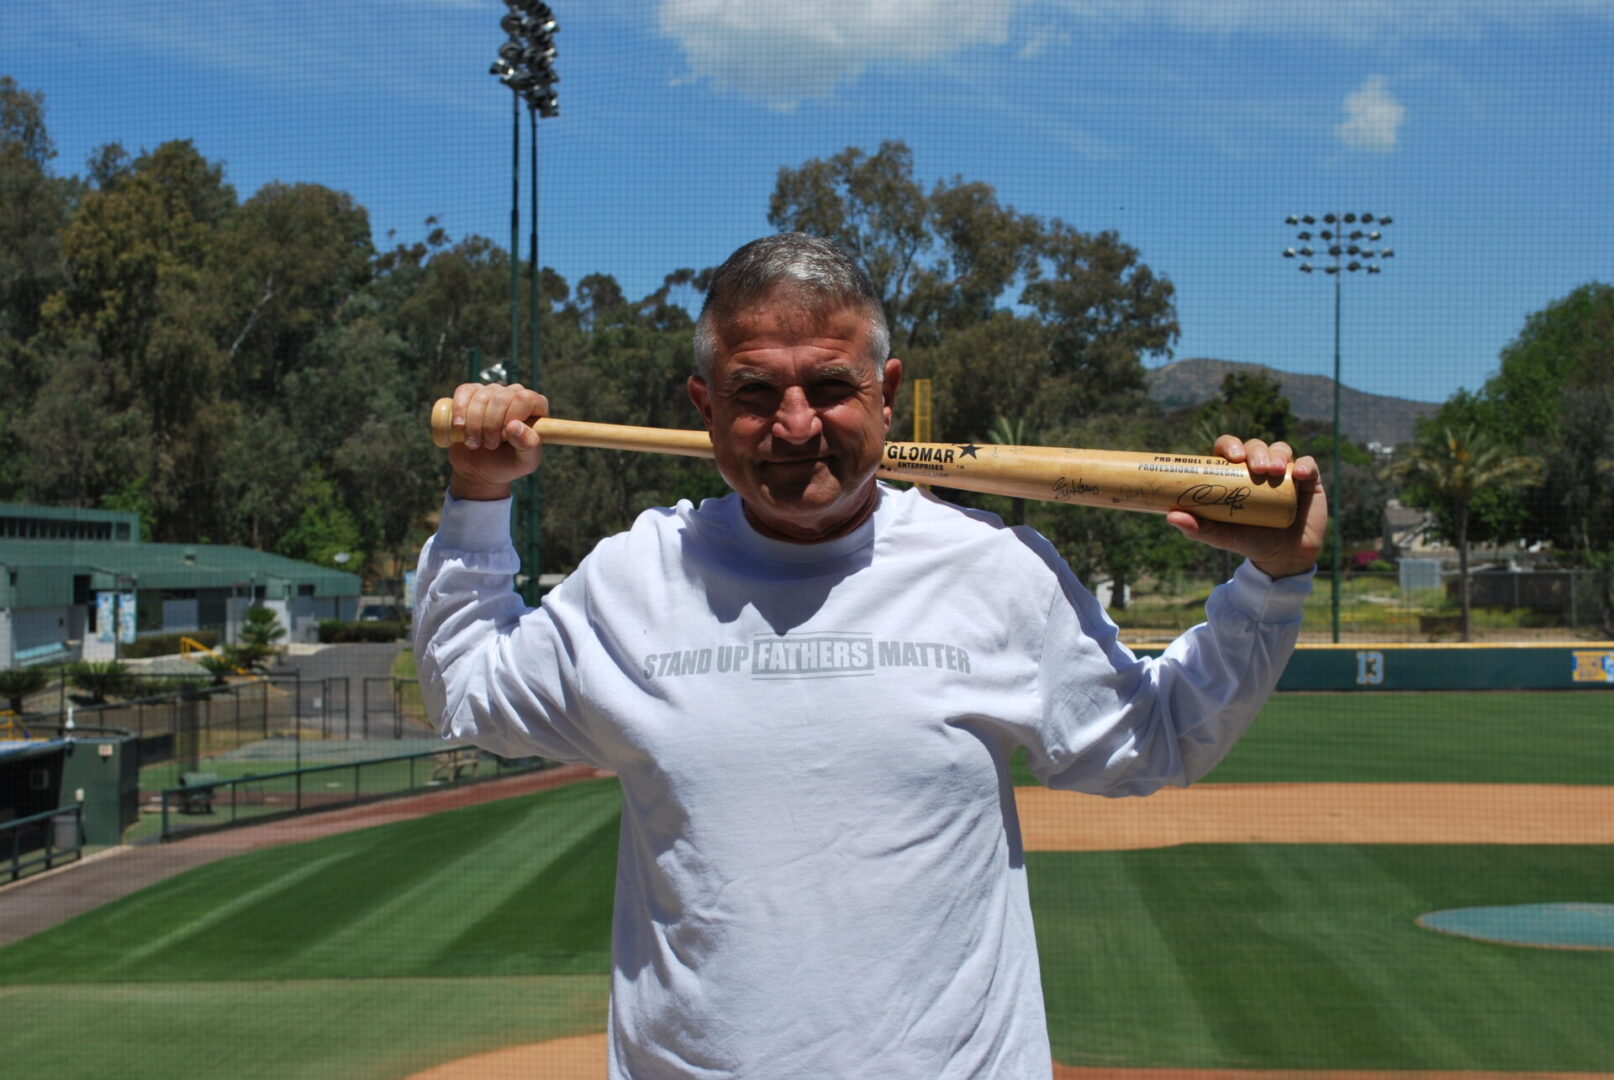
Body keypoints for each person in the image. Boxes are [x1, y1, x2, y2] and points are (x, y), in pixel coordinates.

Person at [415, 233, 1325, 1079]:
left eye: (831, 386)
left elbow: (1158, 738)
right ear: (704, 405)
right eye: (756, 392)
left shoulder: (991, 570)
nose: (798, 424)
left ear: (887, 391)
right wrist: (477, 495)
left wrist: (1269, 585)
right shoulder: (633, 580)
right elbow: (468, 694)